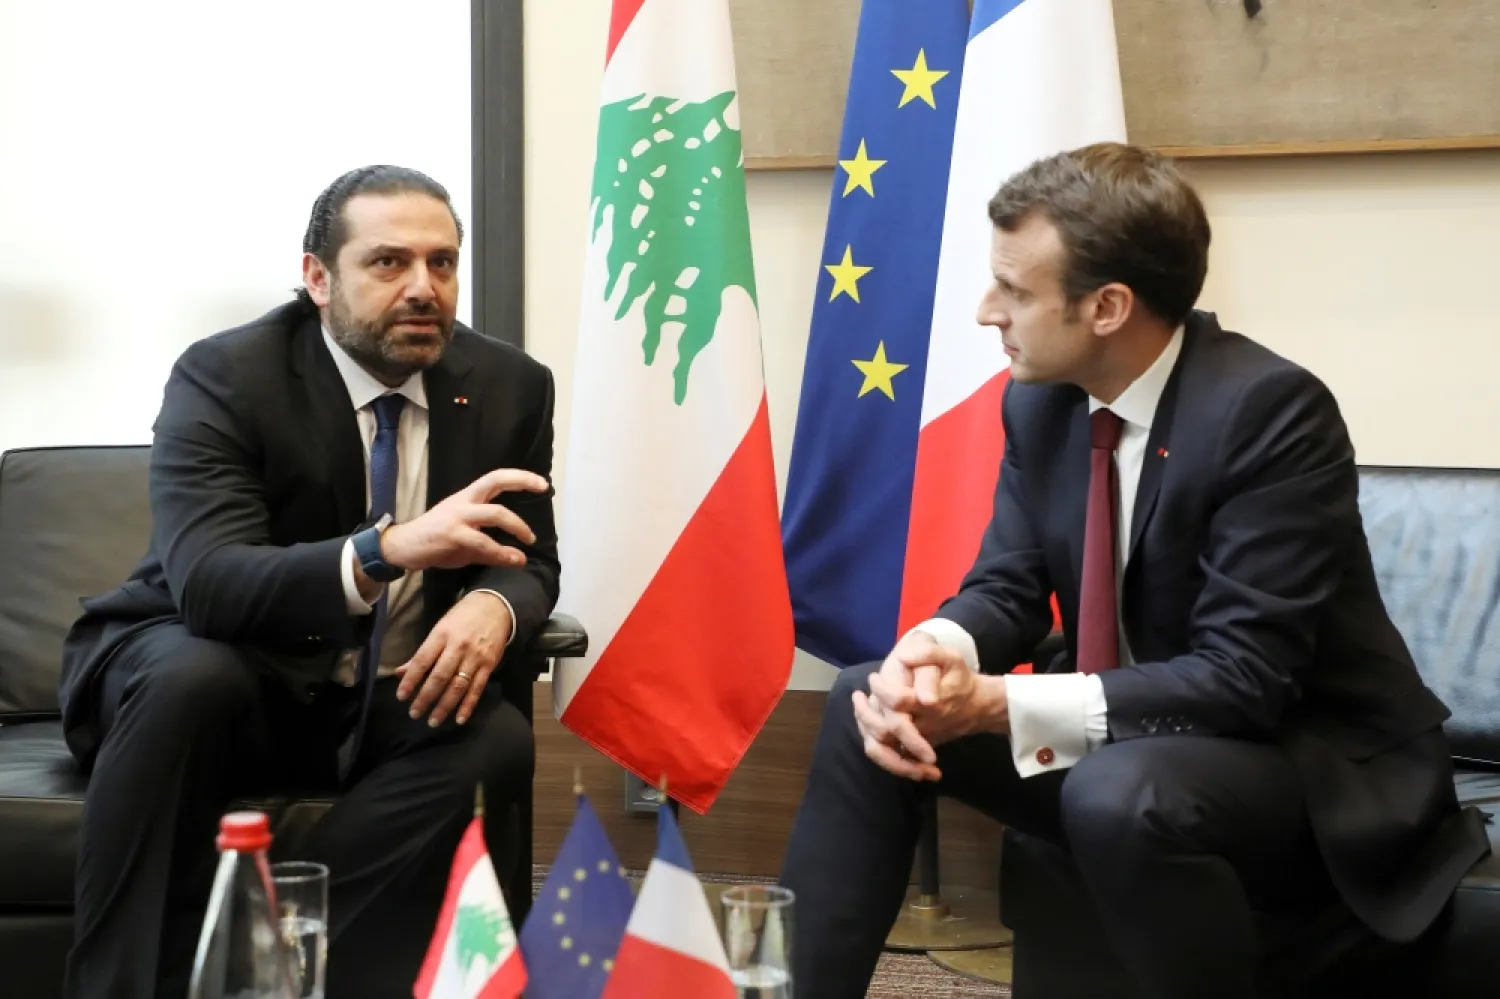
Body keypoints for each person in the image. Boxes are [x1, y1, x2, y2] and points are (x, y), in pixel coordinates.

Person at [779, 142, 1490, 999]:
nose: (984, 311)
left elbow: (1243, 681)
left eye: (1015, 290)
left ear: (1108, 306)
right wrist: (934, 650)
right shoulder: (1040, 400)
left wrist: (999, 702)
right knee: (866, 701)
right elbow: (1006, 583)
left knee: (1119, 788)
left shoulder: (1269, 410)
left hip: (1305, 765)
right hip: (1146, 740)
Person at [57, 165, 561, 999]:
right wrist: (390, 547)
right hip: (221, 675)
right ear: (317, 277)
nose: (423, 288)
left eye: (442, 263)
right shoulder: (228, 375)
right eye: (388, 263)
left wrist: (493, 605)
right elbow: (211, 585)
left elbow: (531, 559)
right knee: (194, 674)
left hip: (376, 693)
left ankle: (267, 957)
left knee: (493, 736)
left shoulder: (510, 386)